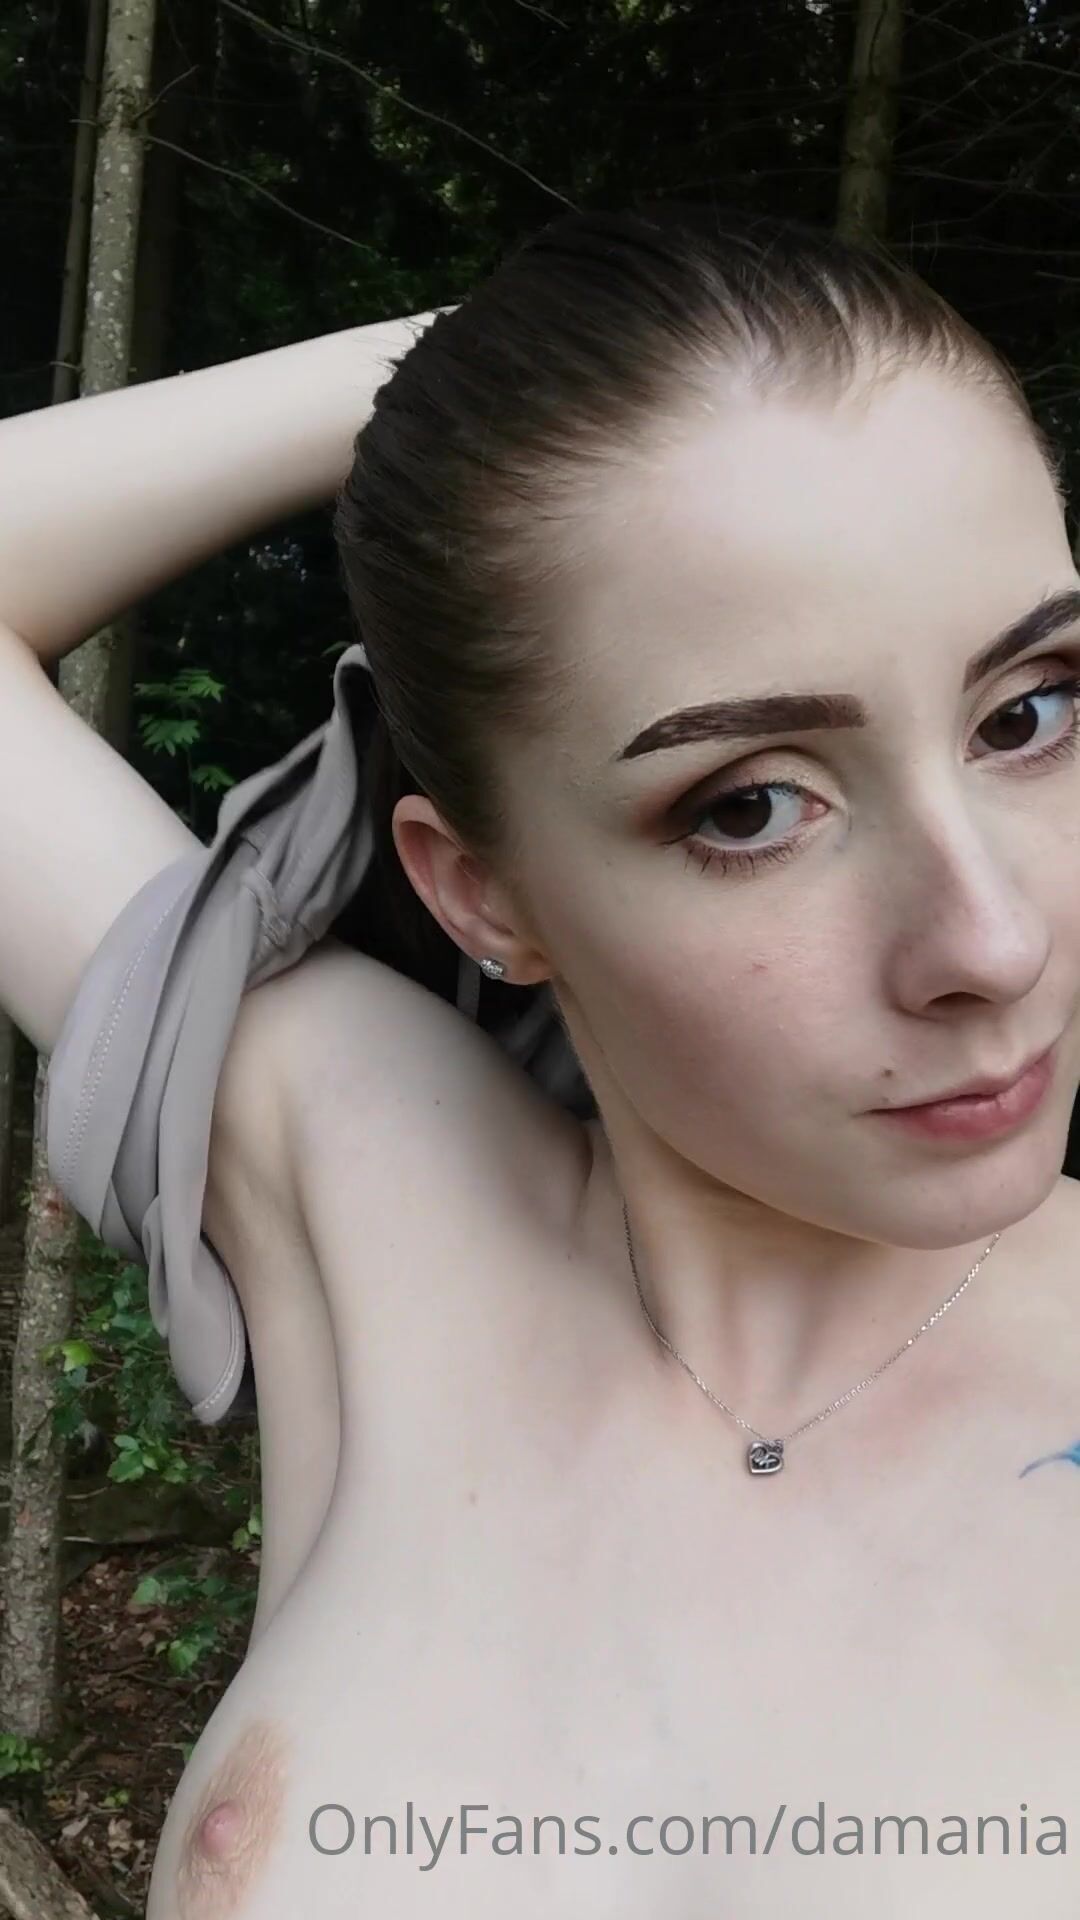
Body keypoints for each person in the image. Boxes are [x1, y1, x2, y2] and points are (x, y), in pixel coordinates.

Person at [2, 200, 1079, 1917]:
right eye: (752, 806)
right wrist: (475, 374)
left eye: (1027, 713)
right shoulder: (379, 1195)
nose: (993, 943)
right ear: (481, 893)